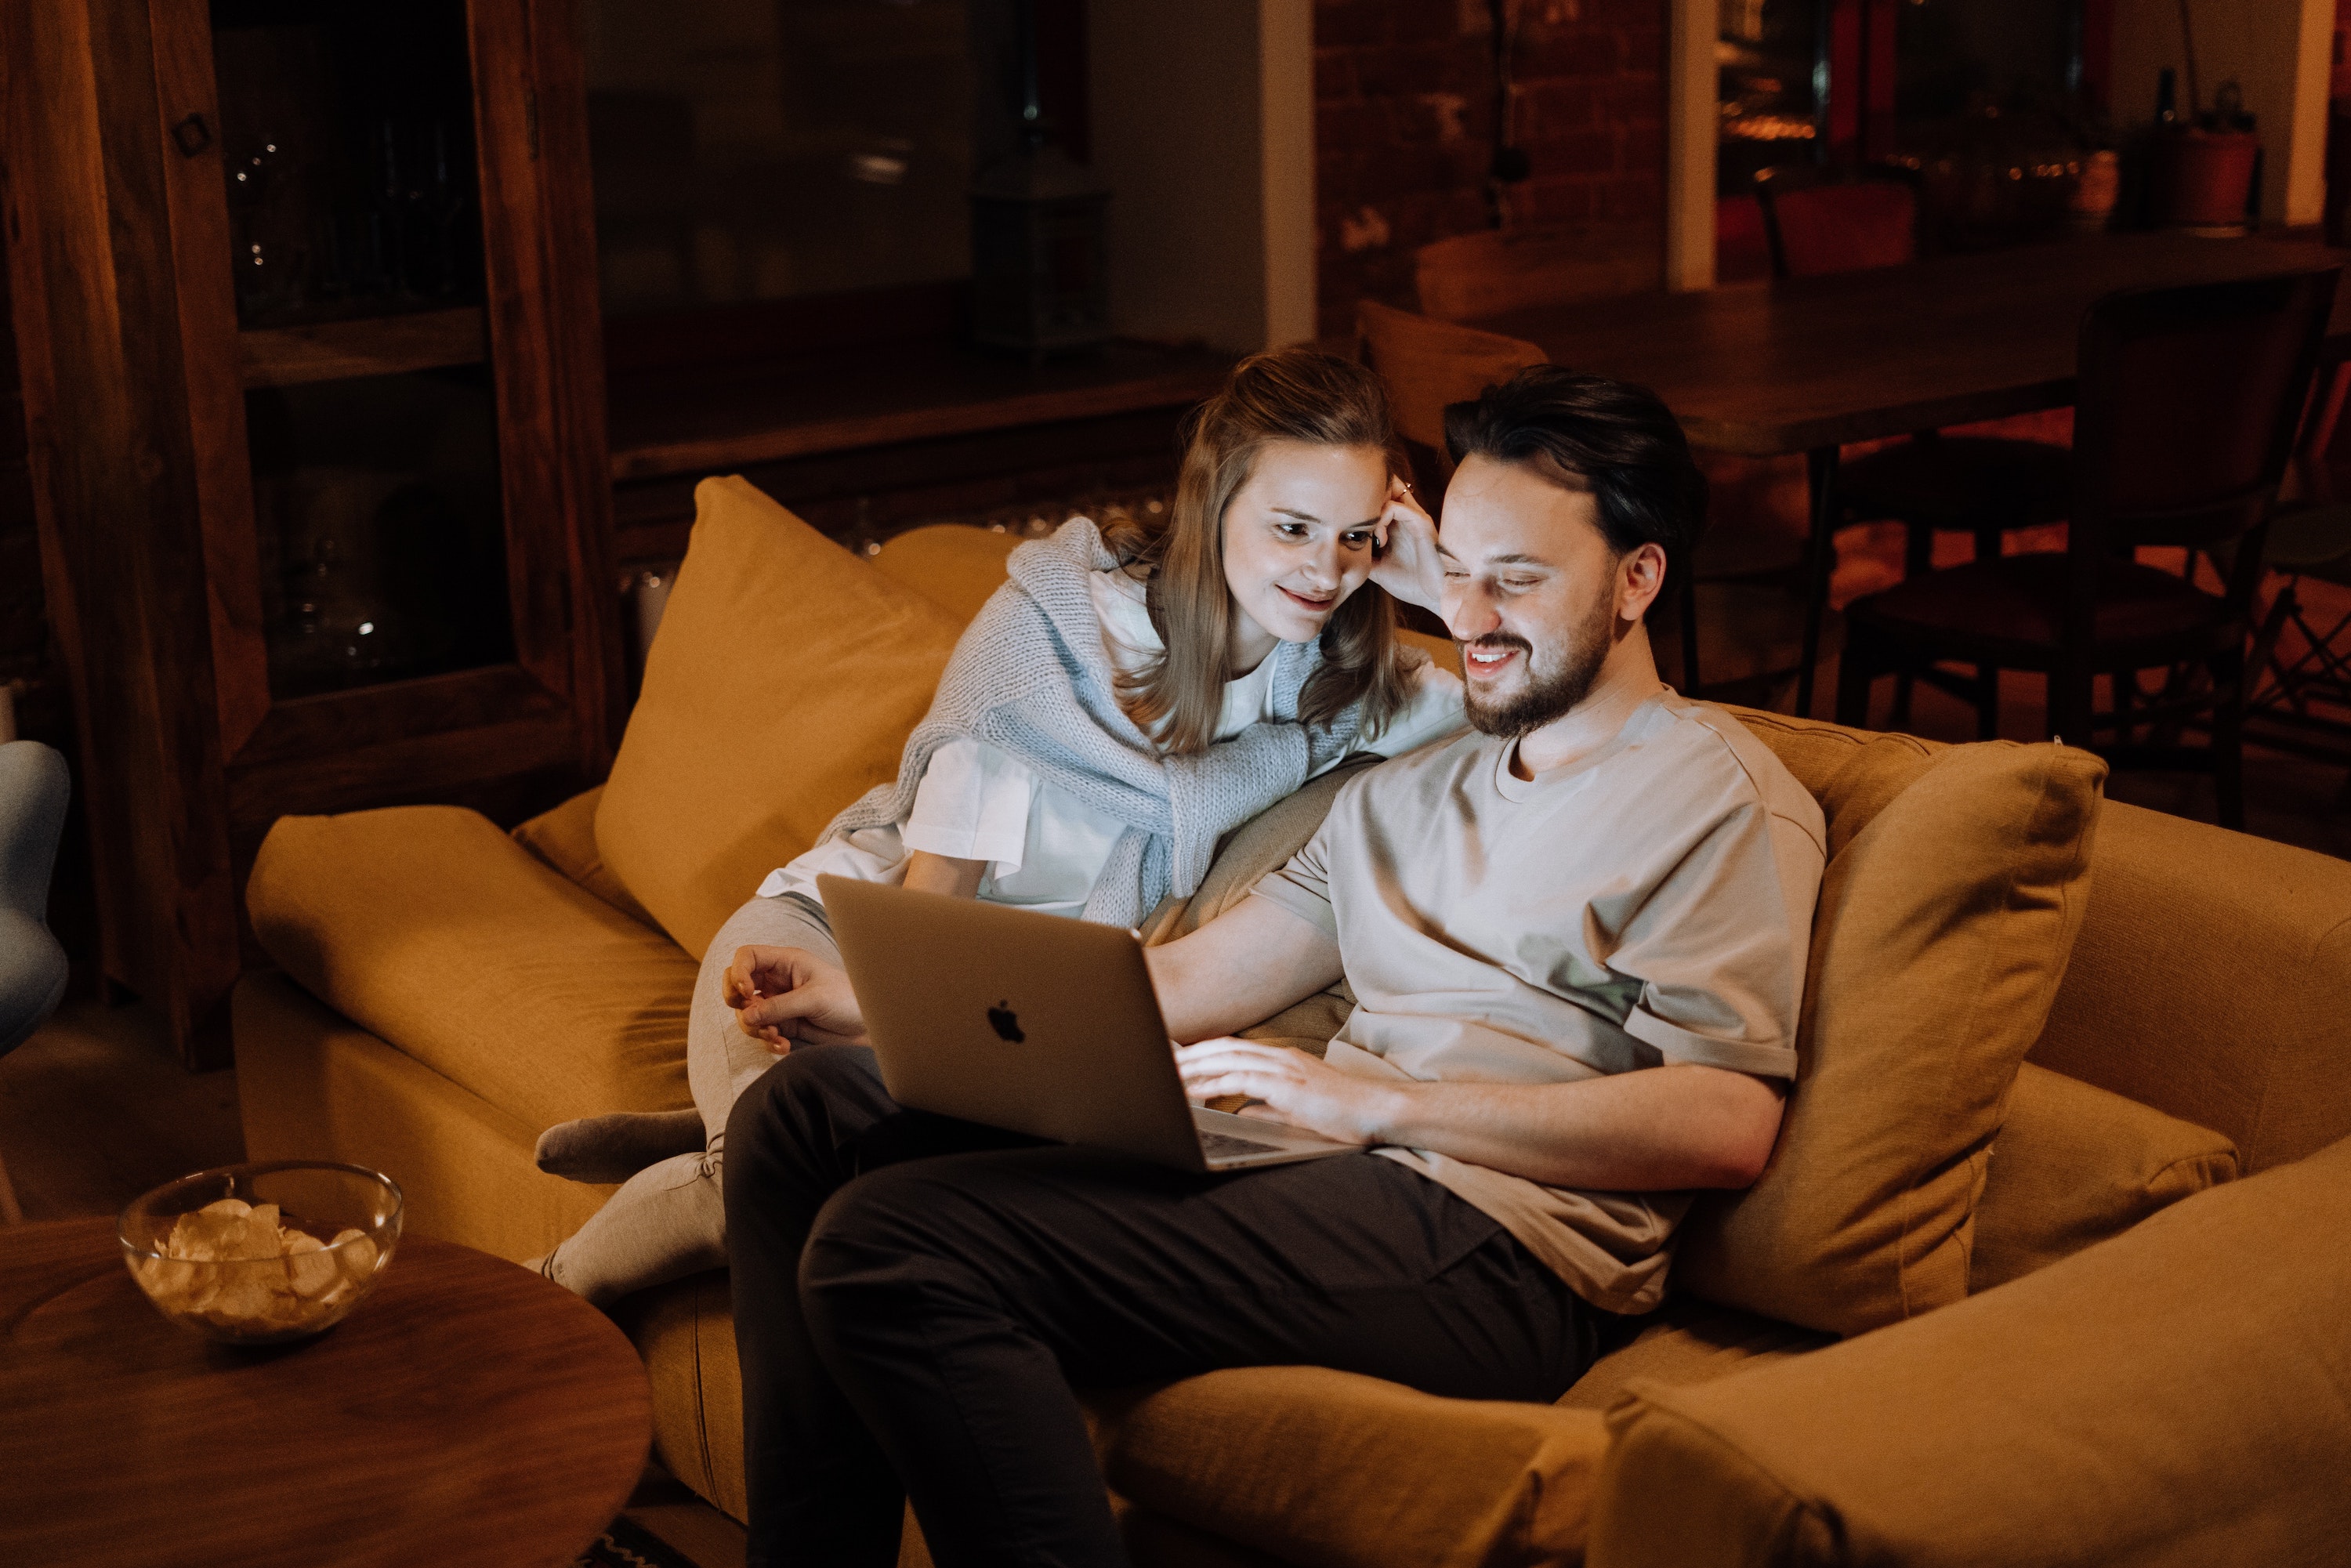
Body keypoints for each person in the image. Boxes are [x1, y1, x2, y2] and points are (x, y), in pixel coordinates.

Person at [718, 364, 1829, 1568]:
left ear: (1638, 579)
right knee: (805, 1119)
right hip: (1313, 1168)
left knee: (896, 1246)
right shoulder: (1413, 785)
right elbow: (1187, 986)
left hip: (1500, 1244)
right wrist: (884, 1008)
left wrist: (1377, 1104)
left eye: (1521, 578)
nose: (1478, 613)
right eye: (1455, 570)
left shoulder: (1716, 796)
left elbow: (1727, 1120)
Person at [527, 347, 1465, 1305]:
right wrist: (868, 1028)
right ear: (1215, 501)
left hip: (1002, 1023)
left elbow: (1524, 712)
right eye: (1292, 527)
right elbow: (934, 920)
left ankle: (709, 1127)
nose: (1325, 570)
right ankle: (543, 1291)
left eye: (1356, 538)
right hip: (839, 946)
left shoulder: (1336, 690)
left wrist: (1439, 592)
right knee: (774, 1189)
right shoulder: (1051, 633)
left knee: (884, 1192)